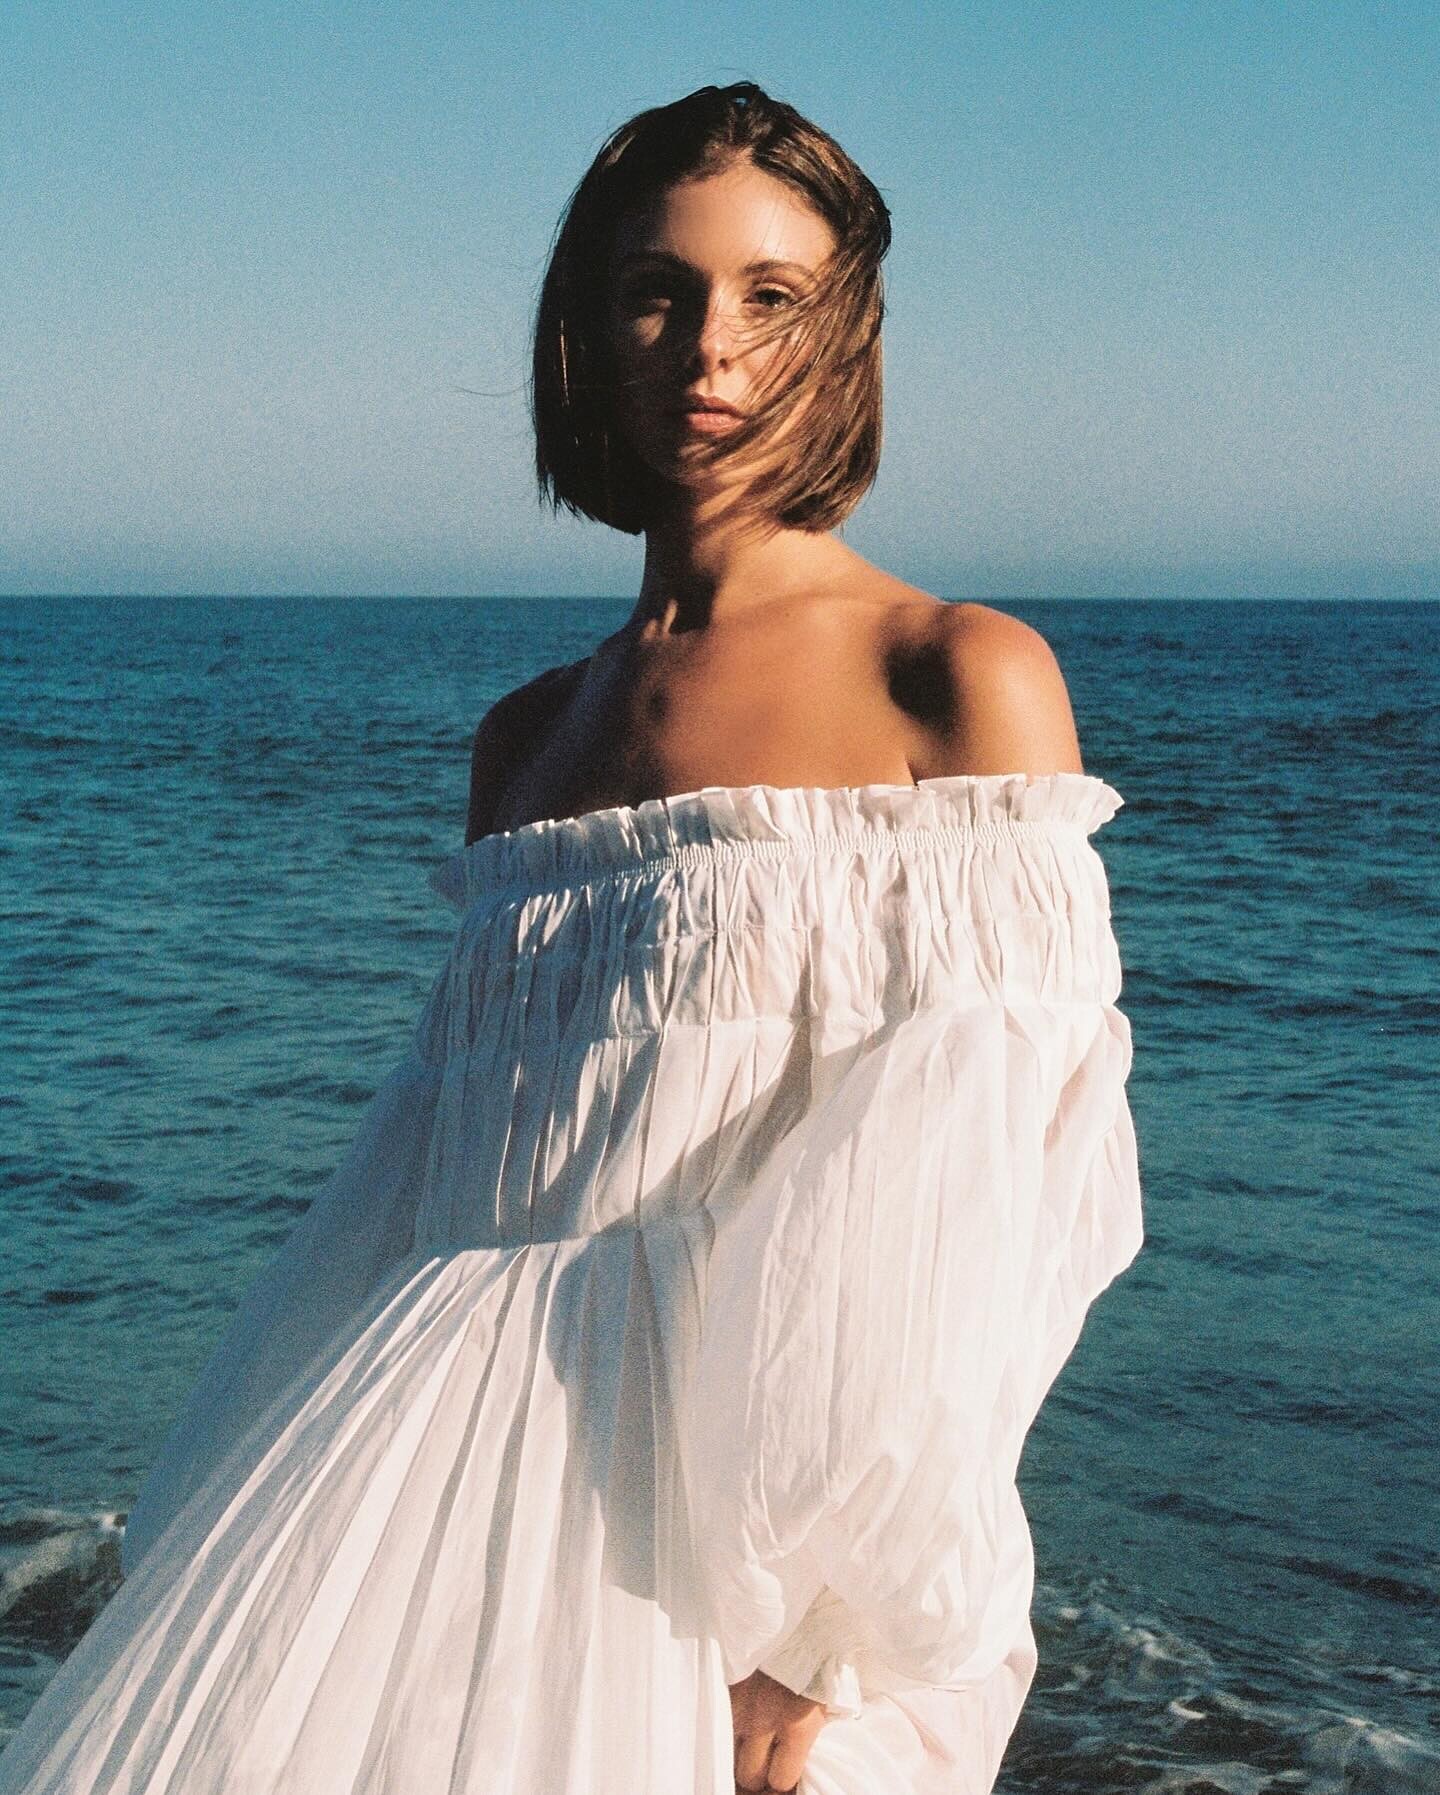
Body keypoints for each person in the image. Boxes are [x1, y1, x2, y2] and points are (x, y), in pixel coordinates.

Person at [0, 83, 1142, 1795]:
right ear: (585, 333)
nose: (711, 346)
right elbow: (418, 1197)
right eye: (656, 292)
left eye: (772, 295)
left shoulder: (953, 674)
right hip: (427, 1514)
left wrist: (816, 1637)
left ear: (845, 334)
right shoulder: (524, 739)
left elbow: (989, 1207)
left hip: (724, 1573)